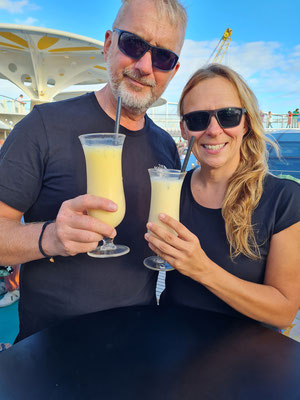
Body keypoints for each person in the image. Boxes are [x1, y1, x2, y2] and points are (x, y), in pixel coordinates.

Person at [0, 0, 187, 341]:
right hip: (51, 347)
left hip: (138, 338)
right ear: (108, 44)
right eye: (133, 44)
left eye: (163, 57)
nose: (145, 66)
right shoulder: (42, 126)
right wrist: (51, 237)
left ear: (173, 71)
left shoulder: (165, 146)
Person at [145, 64, 300, 330]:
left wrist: (202, 269)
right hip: (172, 352)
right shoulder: (172, 193)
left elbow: (284, 312)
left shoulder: (283, 199)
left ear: (246, 123)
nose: (214, 130)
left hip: (248, 362)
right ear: (184, 130)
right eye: (198, 119)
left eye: (228, 116)